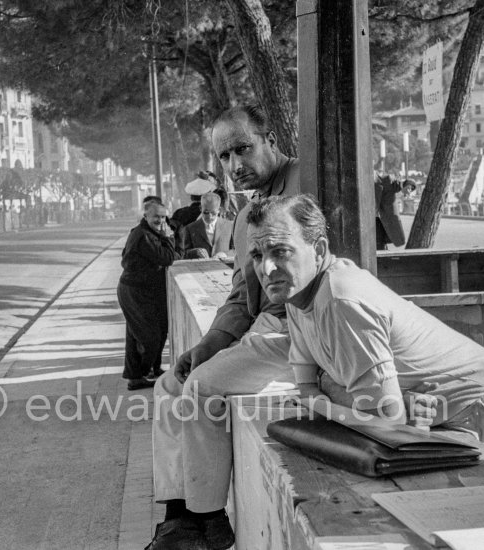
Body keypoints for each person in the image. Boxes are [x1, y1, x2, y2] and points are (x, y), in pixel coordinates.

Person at [147, 104, 302, 550]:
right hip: (264, 329)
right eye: (224, 157)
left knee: (201, 390)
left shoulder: (307, 181)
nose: (234, 166)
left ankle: (210, 521)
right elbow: (239, 296)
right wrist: (209, 344)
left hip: (300, 328)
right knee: (169, 386)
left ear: (271, 140)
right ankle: (178, 516)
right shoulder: (242, 215)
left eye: (242, 149)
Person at [246, 194, 484, 431]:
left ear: (318, 250)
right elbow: (308, 387)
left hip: (473, 414)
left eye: (280, 252)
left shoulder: (340, 299)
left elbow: (386, 423)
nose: (267, 268)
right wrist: (332, 388)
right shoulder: (297, 294)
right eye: (257, 255)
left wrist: (328, 388)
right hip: (447, 419)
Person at [117, 200, 181, 390]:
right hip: (135, 291)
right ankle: (142, 372)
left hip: (143, 290)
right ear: (146, 216)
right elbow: (168, 258)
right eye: (156, 217)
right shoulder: (143, 235)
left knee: (152, 332)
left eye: (163, 217)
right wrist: (169, 237)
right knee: (149, 336)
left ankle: (140, 374)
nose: (161, 221)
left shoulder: (148, 232)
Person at [183, 192, 234, 259]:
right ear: (201, 208)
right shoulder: (190, 228)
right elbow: (184, 254)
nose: (209, 216)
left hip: (223, 267)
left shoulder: (229, 226)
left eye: (213, 213)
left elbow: (237, 250)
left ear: (219, 210)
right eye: (206, 212)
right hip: (200, 268)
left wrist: (224, 254)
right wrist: (195, 252)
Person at [374, 173, 416, 250]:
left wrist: (407, 185)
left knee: (379, 249)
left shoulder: (377, 179)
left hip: (374, 224)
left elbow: (395, 183)